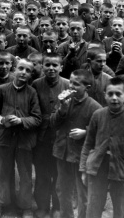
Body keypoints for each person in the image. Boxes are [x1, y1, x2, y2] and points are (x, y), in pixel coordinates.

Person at [80, 77, 124, 218]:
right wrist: (84, 169)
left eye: (118, 94)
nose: (114, 98)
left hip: (122, 169)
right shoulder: (97, 115)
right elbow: (88, 144)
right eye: (110, 94)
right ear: (104, 95)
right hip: (97, 168)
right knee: (93, 206)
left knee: (120, 208)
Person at [0, 58, 42, 218]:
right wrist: (0, 119)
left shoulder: (32, 92)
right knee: (4, 172)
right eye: (21, 69)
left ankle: (25, 206)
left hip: (24, 140)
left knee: (25, 174)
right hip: (5, 137)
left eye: (28, 71)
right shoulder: (3, 89)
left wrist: (21, 121)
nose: (23, 73)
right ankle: (1, 204)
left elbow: (37, 118)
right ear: (14, 69)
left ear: (31, 74)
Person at [50, 69, 102, 218]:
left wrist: (85, 132)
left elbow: (102, 133)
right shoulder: (64, 101)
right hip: (62, 151)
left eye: (76, 84)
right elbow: (53, 124)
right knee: (62, 188)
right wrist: (62, 109)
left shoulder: (95, 107)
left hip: (81, 155)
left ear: (88, 87)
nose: (71, 86)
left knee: (83, 192)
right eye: (70, 82)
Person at [32, 53, 70, 218]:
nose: (51, 68)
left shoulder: (68, 85)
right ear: (42, 66)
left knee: (59, 175)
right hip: (41, 138)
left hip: (60, 138)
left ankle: (57, 206)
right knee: (42, 174)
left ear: (61, 67)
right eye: (47, 65)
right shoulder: (35, 84)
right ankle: (42, 206)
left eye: (55, 65)